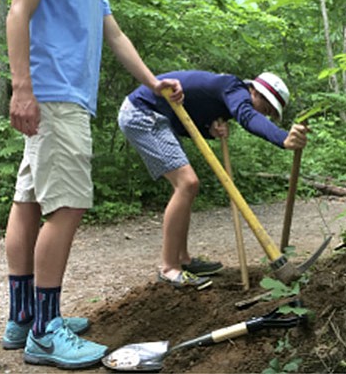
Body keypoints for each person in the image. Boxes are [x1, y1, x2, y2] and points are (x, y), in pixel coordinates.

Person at [1, 0, 183, 370]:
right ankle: (45, 331)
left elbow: (116, 37)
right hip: (54, 96)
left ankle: (24, 317)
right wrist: (22, 88)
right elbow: (18, 12)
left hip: (64, 100)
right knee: (69, 206)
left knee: (29, 200)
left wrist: (154, 82)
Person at [117, 70, 308, 290]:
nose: (262, 115)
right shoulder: (234, 87)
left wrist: (209, 129)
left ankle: (183, 259)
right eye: (264, 109)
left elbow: (183, 116)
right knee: (187, 183)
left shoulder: (224, 96)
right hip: (142, 113)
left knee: (186, 186)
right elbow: (246, 115)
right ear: (254, 91)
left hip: (158, 116)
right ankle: (169, 268)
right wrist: (282, 137)